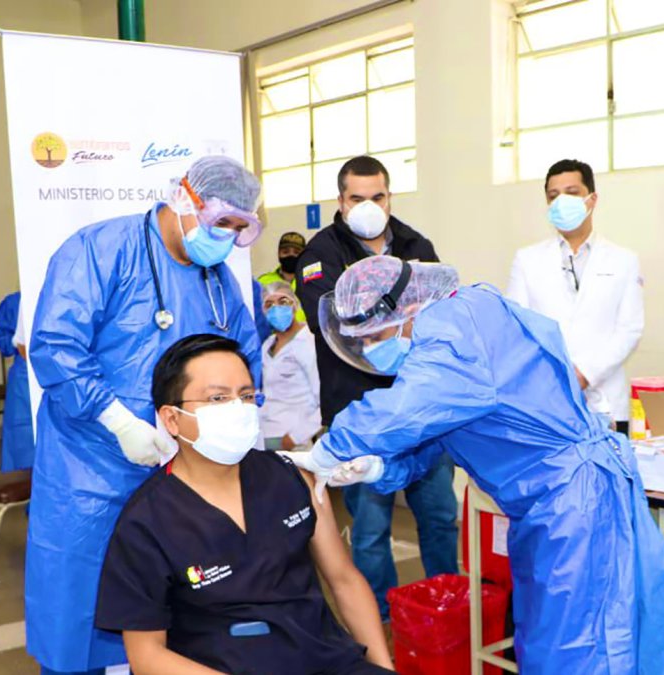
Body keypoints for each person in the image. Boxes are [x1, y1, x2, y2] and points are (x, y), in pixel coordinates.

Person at [284, 256, 664, 673]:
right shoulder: (444, 356)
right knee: (560, 635)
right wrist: (377, 470)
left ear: (407, 308)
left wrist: (331, 447)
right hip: (554, 506)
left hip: (574, 501)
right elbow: (429, 445)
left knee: (581, 647)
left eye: (375, 336)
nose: (372, 350)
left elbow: (406, 408)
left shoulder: (457, 322)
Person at [26, 155, 265, 675]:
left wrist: (242, 422)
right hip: (89, 472)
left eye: (237, 228)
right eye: (219, 222)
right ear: (184, 198)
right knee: (85, 615)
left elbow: (246, 362)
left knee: (173, 616)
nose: (224, 237)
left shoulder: (218, 282)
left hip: (181, 480)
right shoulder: (100, 250)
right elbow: (55, 346)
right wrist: (117, 420)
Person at [96, 334, 392, 675]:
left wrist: (383, 667)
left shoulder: (291, 478)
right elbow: (147, 656)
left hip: (322, 659)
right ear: (172, 419)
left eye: (247, 396)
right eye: (218, 398)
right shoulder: (145, 523)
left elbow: (344, 580)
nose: (237, 409)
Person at [294, 154, 458, 623]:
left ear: (390, 197)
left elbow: (439, 313)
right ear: (341, 201)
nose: (369, 206)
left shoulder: (415, 244)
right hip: (359, 413)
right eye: (357, 198)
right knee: (369, 529)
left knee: (440, 517)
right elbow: (335, 322)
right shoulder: (320, 254)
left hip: (421, 412)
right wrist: (395, 319)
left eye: (378, 197)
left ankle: (446, 610)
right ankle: (383, 623)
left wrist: (388, 321)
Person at [506, 159, 643, 435]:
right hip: (545, 400)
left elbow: (629, 329)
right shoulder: (527, 260)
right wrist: (558, 376)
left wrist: (585, 374)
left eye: (571, 193)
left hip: (606, 402)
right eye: (553, 196)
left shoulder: (624, 260)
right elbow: (516, 327)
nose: (561, 202)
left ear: (591, 199)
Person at [259, 281, 321, 451]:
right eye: (269, 304)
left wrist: (294, 438)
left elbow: (325, 401)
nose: (276, 308)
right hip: (266, 436)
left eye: (283, 302)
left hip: (294, 441)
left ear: (295, 304)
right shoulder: (268, 345)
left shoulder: (309, 342)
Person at [0, 291, 35, 471]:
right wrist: (17, 341)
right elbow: (4, 346)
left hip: (55, 374)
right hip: (24, 379)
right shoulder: (13, 302)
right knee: (22, 440)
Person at [257, 231, 308, 325]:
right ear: (278, 254)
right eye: (285, 252)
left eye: (296, 252)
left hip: (306, 335)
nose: (291, 255)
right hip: (272, 335)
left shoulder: (310, 281)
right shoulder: (263, 281)